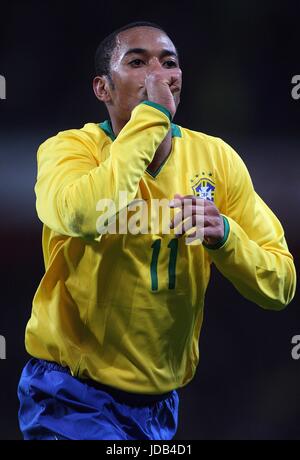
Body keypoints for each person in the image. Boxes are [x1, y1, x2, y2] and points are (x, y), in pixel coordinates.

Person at [18, 21, 296, 441]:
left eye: (169, 63)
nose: (157, 74)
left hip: (160, 405)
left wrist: (225, 235)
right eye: (137, 62)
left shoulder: (217, 160)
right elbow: (81, 214)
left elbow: (281, 284)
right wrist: (153, 117)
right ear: (102, 89)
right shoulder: (71, 150)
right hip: (70, 393)